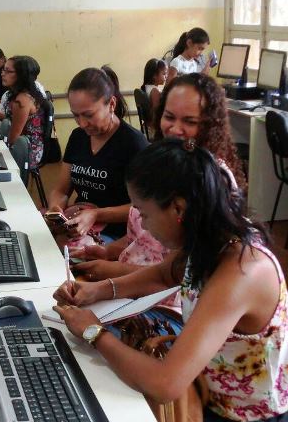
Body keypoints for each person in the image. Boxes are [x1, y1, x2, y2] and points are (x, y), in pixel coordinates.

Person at [53, 138, 288, 422]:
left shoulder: (240, 271)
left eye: (145, 211)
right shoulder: (206, 236)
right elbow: (162, 274)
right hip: (207, 396)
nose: (140, 220)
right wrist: (97, 290)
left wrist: (95, 333)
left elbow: (165, 384)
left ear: (179, 208)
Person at [71, 73, 245, 286]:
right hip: (131, 277)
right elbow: (145, 235)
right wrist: (108, 252)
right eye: (169, 117)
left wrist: (112, 276)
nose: (175, 128)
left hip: (166, 296)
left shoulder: (211, 182)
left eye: (189, 121)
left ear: (211, 125)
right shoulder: (165, 163)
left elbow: (178, 277)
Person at [47, 66, 148, 240]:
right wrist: (56, 208)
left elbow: (144, 208)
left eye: (89, 115)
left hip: (119, 235)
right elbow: (62, 190)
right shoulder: (78, 137)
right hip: (80, 225)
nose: (82, 123)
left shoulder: (134, 144)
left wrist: (96, 214)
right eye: (76, 116)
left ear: (112, 105)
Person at [0, 56, 46, 170]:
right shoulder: (17, 94)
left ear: (22, 75)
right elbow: (11, 120)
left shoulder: (22, 100)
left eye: (8, 71)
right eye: (3, 70)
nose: (3, 73)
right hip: (21, 143)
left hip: (27, 150)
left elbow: (14, 138)